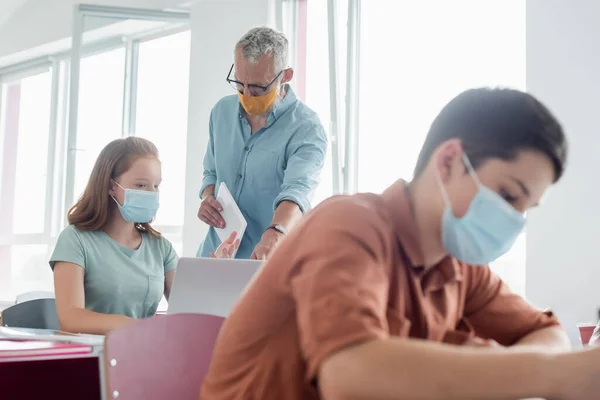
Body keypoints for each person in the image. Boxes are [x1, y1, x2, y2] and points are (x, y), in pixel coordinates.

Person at [201, 88, 600, 400]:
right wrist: (545, 374)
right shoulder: (349, 226)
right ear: (448, 162)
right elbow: (351, 372)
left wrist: (499, 366)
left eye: (526, 209)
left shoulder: (459, 266)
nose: (513, 222)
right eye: (510, 196)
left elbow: (548, 334)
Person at [196, 26, 328, 260]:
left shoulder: (307, 128)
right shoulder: (221, 112)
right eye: (239, 84)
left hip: (269, 261)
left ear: (285, 76)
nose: (246, 95)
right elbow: (211, 172)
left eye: (257, 88)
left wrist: (276, 232)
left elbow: (297, 192)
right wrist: (208, 198)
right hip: (215, 257)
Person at [50, 137, 178, 335]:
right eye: (141, 185)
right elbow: (71, 318)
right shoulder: (75, 240)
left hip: (145, 355)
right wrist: (136, 327)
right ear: (111, 186)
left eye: (156, 186)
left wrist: (217, 266)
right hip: (93, 358)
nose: (152, 194)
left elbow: (189, 312)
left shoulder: (161, 247)